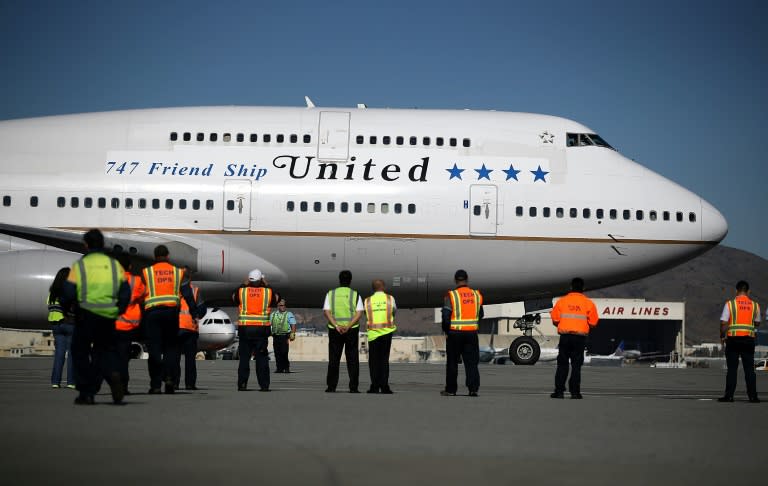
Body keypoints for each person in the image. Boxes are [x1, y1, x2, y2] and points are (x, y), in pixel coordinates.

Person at [61, 229, 130, 405]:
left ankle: (86, 392)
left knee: (80, 351)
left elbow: (68, 291)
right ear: (103, 244)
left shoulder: (81, 265)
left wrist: (66, 309)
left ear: (86, 245)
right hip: (108, 315)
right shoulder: (114, 265)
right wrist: (119, 310)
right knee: (105, 351)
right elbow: (125, 291)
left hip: (86, 314)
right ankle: (114, 374)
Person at [141, 244, 198, 395]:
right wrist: (194, 311)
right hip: (171, 314)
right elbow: (187, 294)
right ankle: (169, 379)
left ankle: (155, 385)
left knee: (154, 350)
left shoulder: (147, 272)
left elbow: (139, 294)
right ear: (168, 256)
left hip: (152, 314)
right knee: (171, 349)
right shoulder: (177, 272)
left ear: (155, 256)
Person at [550, 278, 599, 399]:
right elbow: (593, 322)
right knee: (576, 366)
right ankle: (575, 392)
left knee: (562, 365)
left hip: (565, 337)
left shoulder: (562, 301)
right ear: (583, 288)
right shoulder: (588, 303)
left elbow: (555, 320)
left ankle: (559, 391)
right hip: (579, 339)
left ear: (571, 287)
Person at [233, 269, 279, 391]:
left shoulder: (242, 291)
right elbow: (277, 298)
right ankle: (264, 385)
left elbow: (233, 297)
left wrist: (244, 283)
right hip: (261, 331)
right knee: (262, 359)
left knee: (244, 359)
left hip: (245, 330)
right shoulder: (267, 292)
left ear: (249, 279)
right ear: (261, 280)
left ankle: (242, 385)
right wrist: (267, 283)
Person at [440, 269, 483, 397]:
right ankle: (473, 389)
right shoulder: (476, 295)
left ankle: (451, 390)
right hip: (471, 333)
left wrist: (447, 331)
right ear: (467, 279)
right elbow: (481, 314)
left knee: (452, 362)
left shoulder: (451, 296)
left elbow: (446, 316)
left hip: (455, 334)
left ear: (455, 280)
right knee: (471, 363)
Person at [718, 280, 761, 403]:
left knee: (732, 369)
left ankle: (729, 395)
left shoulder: (730, 304)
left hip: (733, 340)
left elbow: (723, 322)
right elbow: (757, 322)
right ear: (748, 291)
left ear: (736, 291)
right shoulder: (755, 305)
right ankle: (753, 396)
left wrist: (722, 335)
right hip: (748, 340)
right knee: (749, 370)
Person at [323, 270, 364, 393]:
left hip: (335, 330)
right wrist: (348, 326)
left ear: (339, 280)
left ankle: (331, 386)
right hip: (351, 330)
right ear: (350, 281)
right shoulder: (355, 294)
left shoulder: (331, 294)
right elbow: (359, 313)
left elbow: (326, 312)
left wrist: (336, 325)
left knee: (334, 359)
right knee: (352, 359)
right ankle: (353, 387)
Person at [114, 255, 145, 396]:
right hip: (128, 325)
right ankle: (123, 386)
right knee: (123, 358)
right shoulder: (136, 280)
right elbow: (143, 296)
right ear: (130, 267)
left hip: (111, 323)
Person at [364, 279, 397, 394]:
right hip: (387, 332)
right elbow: (394, 311)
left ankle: (374, 386)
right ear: (383, 287)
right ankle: (384, 386)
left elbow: (366, 314)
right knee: (384, 360)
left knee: (373, 361)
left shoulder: (367, 301)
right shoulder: (390, 298)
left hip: (373, 334)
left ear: (373, 288)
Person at [175, 268, 204, 390]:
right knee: (190, 359)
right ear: (190, 277)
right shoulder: (195, 290)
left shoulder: (172, 289)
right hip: (190, 329)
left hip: (175, 328)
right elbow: (202, 311)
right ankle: (190, 384)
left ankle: (174, 383)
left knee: (174, 358)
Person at [48, 267, 76, 389]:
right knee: (72, 354)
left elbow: (48, 305)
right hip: (69, 324)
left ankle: (55, 381)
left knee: (59, 354)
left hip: (56, 325)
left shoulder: (52, 292)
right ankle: (71, 382)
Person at [270, 298, 297, 373]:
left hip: (284, 336)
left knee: (284, 352)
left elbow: (293, 324)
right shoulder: (273, 315)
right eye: (281, 305)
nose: (283, 307)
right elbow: (270, 324)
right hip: (276, 336)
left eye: (284, 305)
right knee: (277, 353)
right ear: (278, 306)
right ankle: (279, 368)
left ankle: (286, 367)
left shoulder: (289, 314)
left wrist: (292, 333)